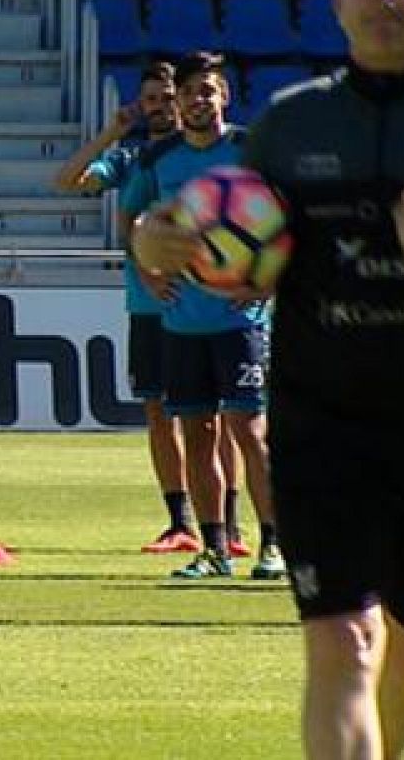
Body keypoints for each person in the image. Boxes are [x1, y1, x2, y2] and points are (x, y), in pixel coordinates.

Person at [134, 0, 404, 759]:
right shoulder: (293, 126)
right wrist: (156, 239)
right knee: (344, 643)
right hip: (320, 425)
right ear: (337, 5)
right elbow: (219, 237)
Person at [120, 52, 282, 582]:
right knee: (197, 432)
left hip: (240, 320)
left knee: (249, 431)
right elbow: (131, 220)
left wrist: (266, 282)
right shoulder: (159, 158)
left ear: (224, 96)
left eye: (208, 91)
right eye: (190, 92)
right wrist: (149, 275)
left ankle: (273, 546)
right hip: (181, 321)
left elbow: (288, 221)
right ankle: (214, 550)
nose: (198, 101)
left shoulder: (251, 151)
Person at [53, 61, 198, 553]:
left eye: (167, 97)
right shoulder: (130, 157)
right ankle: (180, 521)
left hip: (201, 302)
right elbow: (66, 180)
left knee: (214, 418)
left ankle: (225, 524)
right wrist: (111, 132)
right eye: (150, 100)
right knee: (159, 413)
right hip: (148, 306)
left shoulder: (204, 155)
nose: (159, 108)